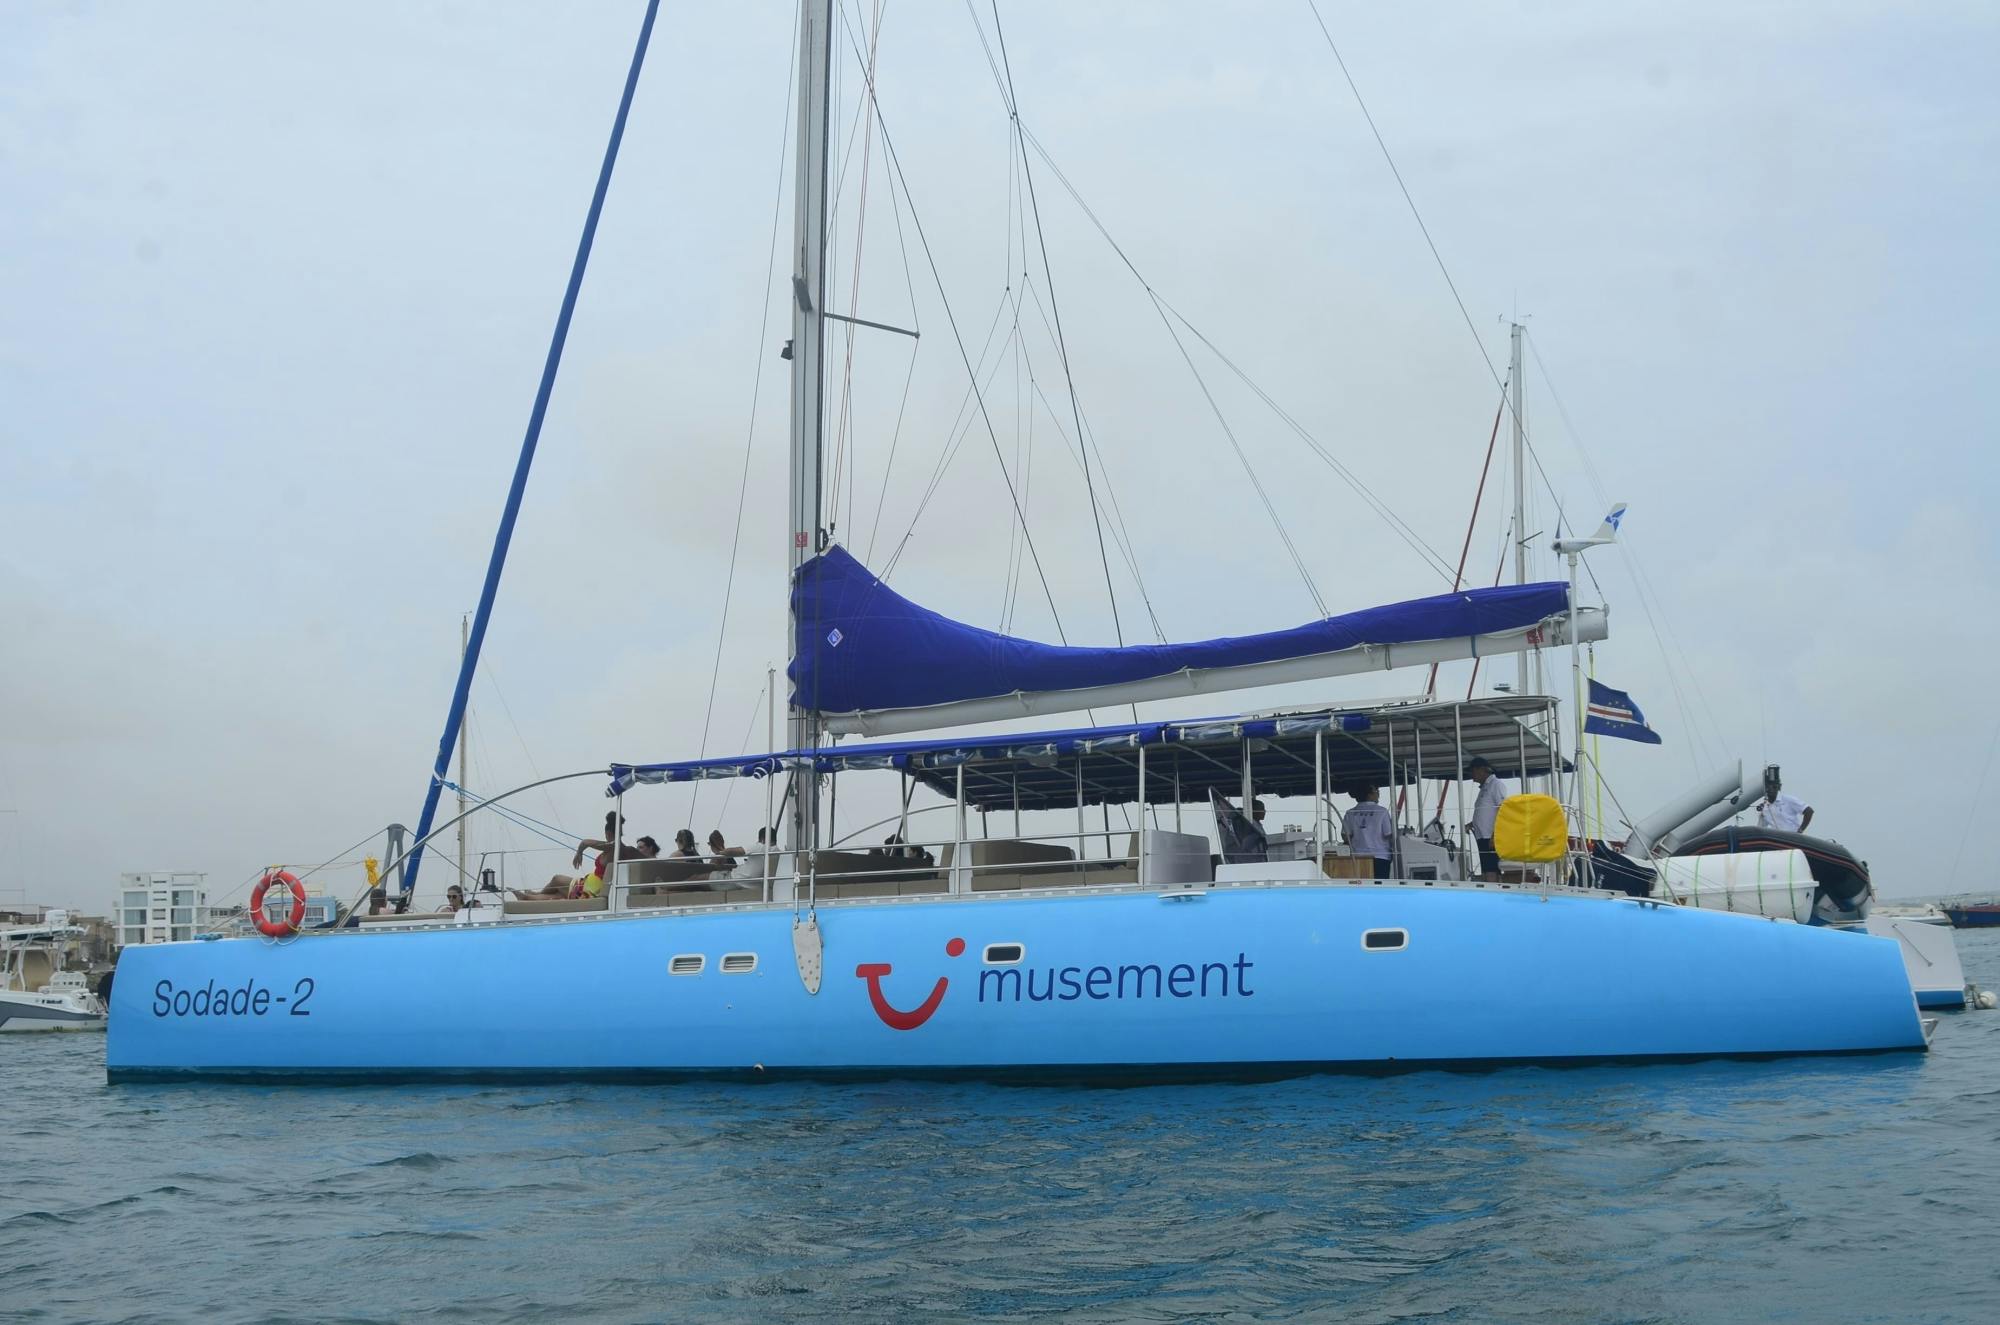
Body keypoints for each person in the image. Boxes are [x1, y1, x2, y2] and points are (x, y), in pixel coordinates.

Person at [516, 812, 630, 899]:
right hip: (589, 885)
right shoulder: (615, 847)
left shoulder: (614, 846)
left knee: (557, 879)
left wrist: (579, 853)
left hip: (591, 890)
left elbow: (586, 842)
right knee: (558, 894)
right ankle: (529, 898)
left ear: (608, 833)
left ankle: (536, 894)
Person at [1463, 756, 1508, 881]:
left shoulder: (1496, 785)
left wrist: (1495, 835)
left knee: (1491, 869)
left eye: (1472, 771)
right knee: (1487, 869)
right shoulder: (1484, 787)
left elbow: (1502, 809)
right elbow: (1487, 811)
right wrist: (1473, 823)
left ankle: (1494, 895)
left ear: (1481, 770)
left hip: (1490, 836)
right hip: (1482, 836)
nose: (1471, 775)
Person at [1342, 785, 1395, 880]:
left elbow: (1345, 836)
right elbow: (1388, 834)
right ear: (1369, 794)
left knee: (1362, 888)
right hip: (1380, 856)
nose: (1378, 793)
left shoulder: (1350, 813)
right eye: (1376, 791)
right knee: (1380, 888)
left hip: (1358, 857)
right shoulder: (1382, 811)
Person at [1755, 768, 1813, 834]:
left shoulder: (1788, 800)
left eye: (1774, 787)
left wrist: (1800, 830)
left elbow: (1809, 811)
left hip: (1794, 838)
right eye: (1768, 787)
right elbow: (1760, 829)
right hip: (1778, 840)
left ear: (1779, 787)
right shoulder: (1765, 809)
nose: (1771, 789)